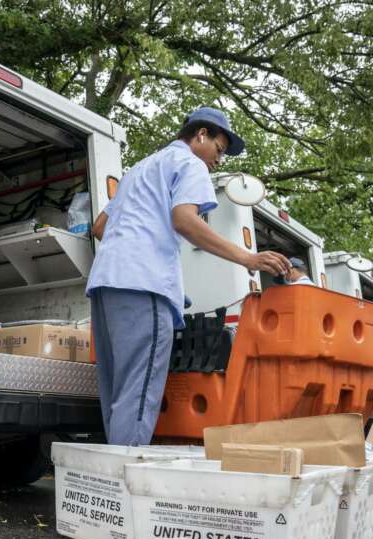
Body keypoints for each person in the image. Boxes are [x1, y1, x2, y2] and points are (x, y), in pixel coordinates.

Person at [87, 107, 290, 446]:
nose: (219, 160)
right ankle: (126, 484)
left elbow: (99, 227)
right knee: (138, 394)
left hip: (107, 285)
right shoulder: (190, 164)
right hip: (144, 286)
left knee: (117, 392)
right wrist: (247, 257)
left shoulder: (139, 169)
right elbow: (184, 220)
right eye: (220, 149)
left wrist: (138, 246)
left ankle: (112, 476)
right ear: (200, 136)